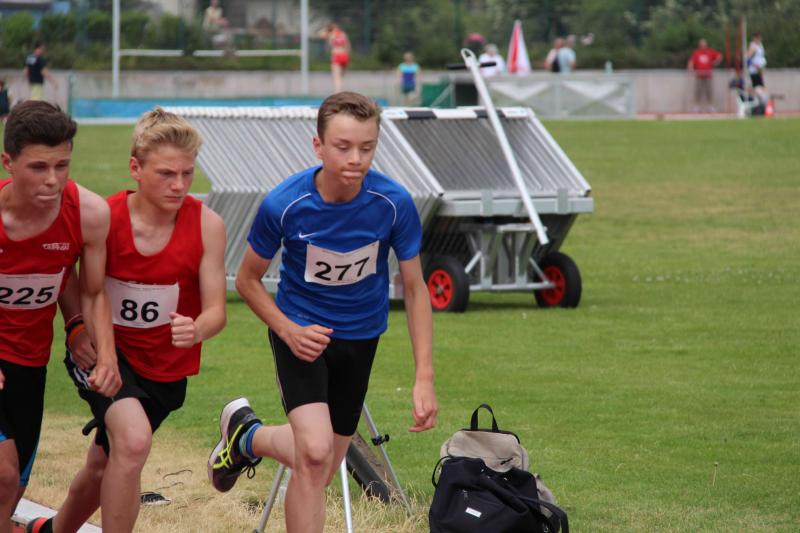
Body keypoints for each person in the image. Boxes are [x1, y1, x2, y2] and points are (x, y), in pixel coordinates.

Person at [208, 91, 438, 532]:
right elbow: (247, 280)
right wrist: (288, 330)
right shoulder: (285, 204)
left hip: (361, 339)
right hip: (301, 336)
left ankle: (247, 437)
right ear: (318, 146)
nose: (356, 159)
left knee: (322, 465)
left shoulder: (393, 203)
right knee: (313, 454)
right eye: (343, 146)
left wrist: (423, 377)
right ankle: (248, 436)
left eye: (367, 147)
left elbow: (414, 288)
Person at [25, 109, 227, 533]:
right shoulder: (105, 217)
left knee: (105, 464)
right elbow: (73, 276)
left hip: (165, 370)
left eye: (187, 174)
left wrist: (197, 329)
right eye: (166, 173)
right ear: (136, 168)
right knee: (133, 443)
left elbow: (216, 312)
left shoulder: (208, 225)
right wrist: (78, 327)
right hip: (103, 355)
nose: (179, 185)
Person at [0, 101, 121, 533]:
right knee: (3, 475)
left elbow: (90, 288)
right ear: (8, 162)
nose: (52, 180)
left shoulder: (89, 213)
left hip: (29, 363)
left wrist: (86, 335)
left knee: (11, 491)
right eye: (38, 167)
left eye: (62, 165)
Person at [687, 38, 722, 112]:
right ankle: (696, 106)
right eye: (701, 45)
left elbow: (719, 56)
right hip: (699, 75)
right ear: (699, 45)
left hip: (708, 75)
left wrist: (716, 62)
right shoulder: (696, 53)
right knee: (698, 91)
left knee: (709, 91)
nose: (703, 46)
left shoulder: (710, 51)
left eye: (704, 45)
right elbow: (691, 61)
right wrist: (690, 68)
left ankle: (710, 106)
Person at [319, 23, 351, 93]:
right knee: (342, 76)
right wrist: (348, 56)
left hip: (336, 55)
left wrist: (327, 29)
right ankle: (341, 90)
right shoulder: (343, 34)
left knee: (336, 77)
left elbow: (320, 34)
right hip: (344, 55)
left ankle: (338, 92)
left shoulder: (331, 35)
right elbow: (348, 46)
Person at [747, 33, 767, 97]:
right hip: (754, 70)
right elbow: (748, 59)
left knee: (758, 86)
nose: (759, 40)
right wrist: (755, 65)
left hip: (759, 69)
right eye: (758, 38)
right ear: (755, 38)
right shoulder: (753, 47)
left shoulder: (760, 45)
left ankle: (750, 96)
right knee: (758, 87)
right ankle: (750, 97)